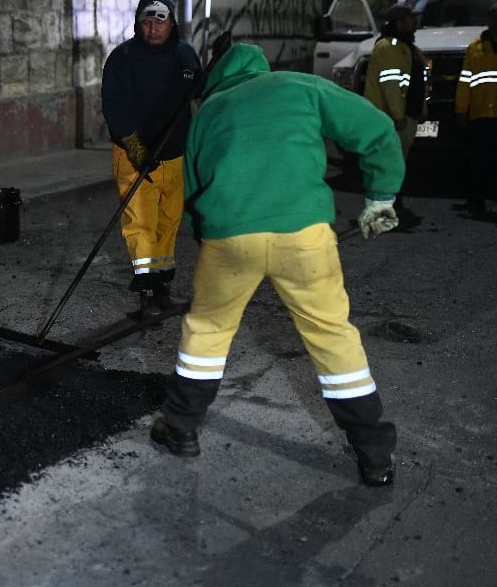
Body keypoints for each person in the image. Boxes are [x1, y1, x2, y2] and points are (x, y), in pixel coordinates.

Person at [150, 41, 405, 487]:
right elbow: (377, 127)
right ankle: (374, 454)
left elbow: (189, 189)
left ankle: (181, 428)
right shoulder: (300, 86)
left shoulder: (209, 111)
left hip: (230, 237)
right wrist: (381, 196)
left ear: (219, 79)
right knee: (332, 334)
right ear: (261, 68)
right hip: (303, 234)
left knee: (208, 330)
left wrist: (204, 237)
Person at [101, 0, 202, 315]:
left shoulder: (186, 58)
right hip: (135, 159)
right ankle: (145, 294)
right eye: (147, 20)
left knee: (167, 223)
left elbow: (201, 95)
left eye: (161, 20)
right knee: (141, 224)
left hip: (174, 158)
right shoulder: (122, 59)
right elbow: (116, 109)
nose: (153, 28)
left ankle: (162, 287)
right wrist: (136, 149)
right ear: (137, 23)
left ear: (172, 23)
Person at [363, 2, 428, 222]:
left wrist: (421, 108)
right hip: (391, 119)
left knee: (395, 164)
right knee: (388, 164)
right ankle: (383, 209)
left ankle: (391, 205)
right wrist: (399, 116)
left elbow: (420, 82)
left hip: (405, 117)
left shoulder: (407, 47)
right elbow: (391, 86)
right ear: (399, 22)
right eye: (411, 18)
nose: (415, 21)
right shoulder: (390, 47)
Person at [453, 2, 497, 217]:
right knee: (478, 161)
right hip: (481, 115)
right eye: (494, 17)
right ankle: (476, 201)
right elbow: (465, 82)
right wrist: (462, 110)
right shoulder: (476, 48)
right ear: (488, 20)